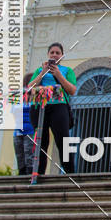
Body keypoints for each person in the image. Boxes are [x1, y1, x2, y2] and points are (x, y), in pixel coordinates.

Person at [27, 43, 77, 175]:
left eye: (57, 53)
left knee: (63, 140)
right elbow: (30, 88)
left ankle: (69, 172)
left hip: (59, 107)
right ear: (48, 55)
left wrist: (58, 74)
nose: (54, 55)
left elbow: (72, 90)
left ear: (62, 56)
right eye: (52, 53)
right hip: (40, 107)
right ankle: (39, 172)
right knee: (41, 141)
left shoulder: (67, 70)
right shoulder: (39, 70)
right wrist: (43, 73)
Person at [13, 72, 35, 176]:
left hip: (30, 130)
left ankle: (29, 174)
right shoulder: (18, 98)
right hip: (18, 130)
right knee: (19, 154)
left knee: (29, 153)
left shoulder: (36, 97)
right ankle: (21, 174)